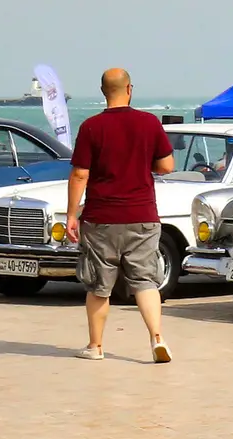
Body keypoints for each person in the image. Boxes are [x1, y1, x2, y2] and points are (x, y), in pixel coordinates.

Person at [66, 68, 175, 363]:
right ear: (130, 88)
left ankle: (96, 346)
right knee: (145, 281)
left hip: (102, 217)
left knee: (99, 284)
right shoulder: (149, 123)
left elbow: (79, 174)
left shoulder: (91, 127)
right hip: (142, 214)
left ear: (103, 91)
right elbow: (167, 166)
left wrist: (72, 215)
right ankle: (156, 338)